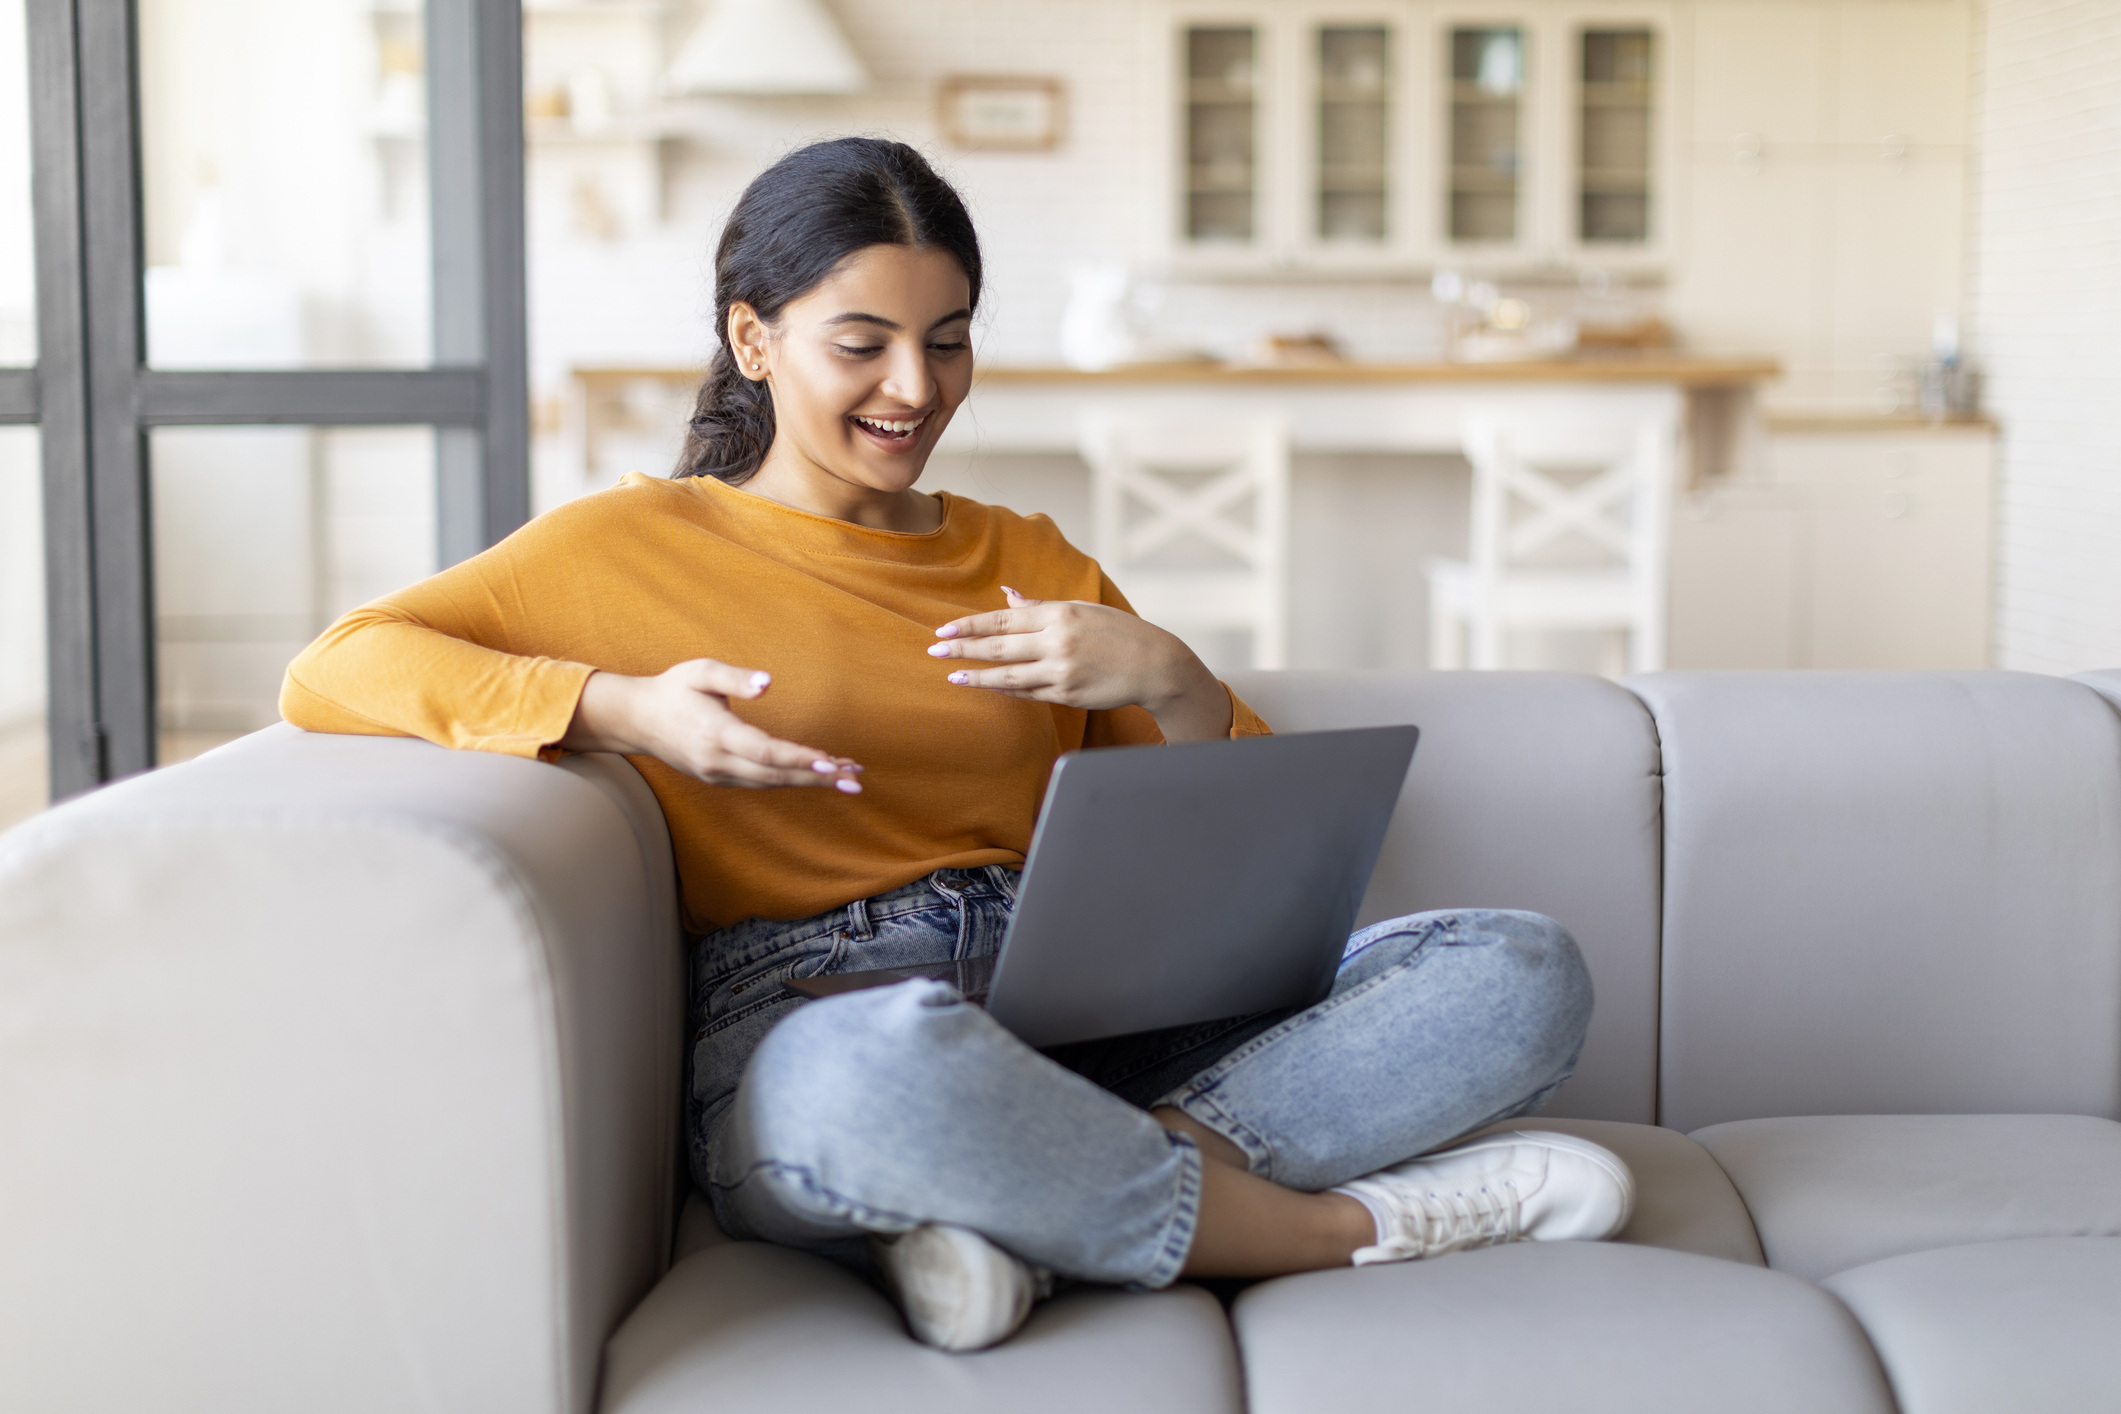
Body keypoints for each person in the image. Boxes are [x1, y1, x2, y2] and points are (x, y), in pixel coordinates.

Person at [281, 136, 1634, 1353]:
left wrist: (1167, 676)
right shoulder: (625, 548)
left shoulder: (1024, 555)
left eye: (949, 339)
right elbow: (334, 665)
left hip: (1086, 1017)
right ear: (752, 341)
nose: (913, 387)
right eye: (858, 342)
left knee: (1519, 966)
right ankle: (1342, 1228)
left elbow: (1244, 836)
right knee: (884, 1080)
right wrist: (621, 708)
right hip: (813, 1029)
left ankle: (1014, 1202)